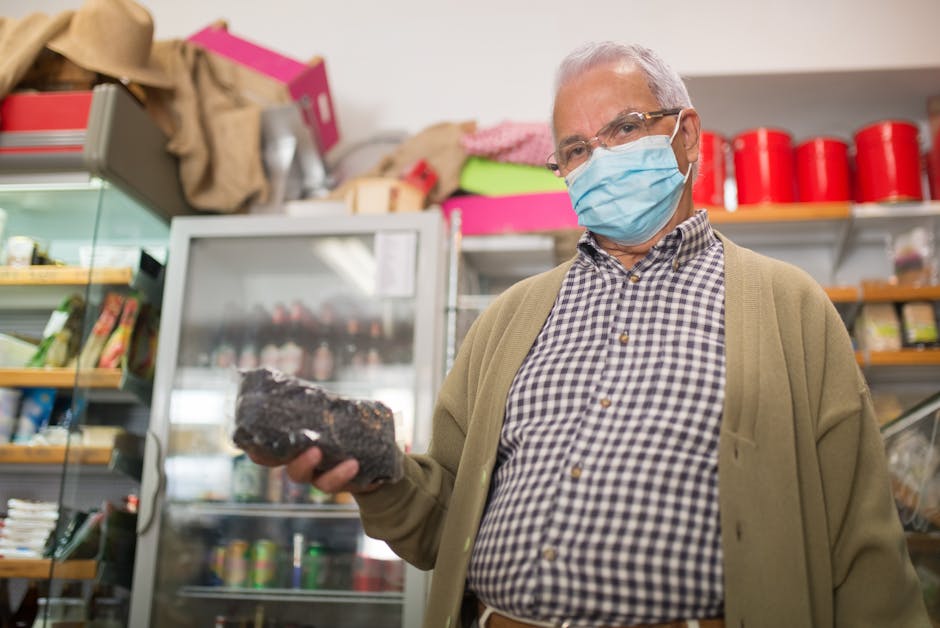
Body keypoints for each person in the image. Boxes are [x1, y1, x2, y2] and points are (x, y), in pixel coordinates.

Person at [264, 42, 931, 628]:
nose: (599, 159)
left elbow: (865, 550)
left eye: (624, 129)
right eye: (577, 149)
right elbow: (444, 518)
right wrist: (373, 472)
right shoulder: (507, 320)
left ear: (686, 134)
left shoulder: (790, 309)